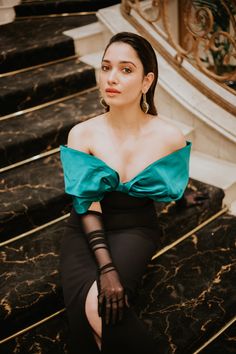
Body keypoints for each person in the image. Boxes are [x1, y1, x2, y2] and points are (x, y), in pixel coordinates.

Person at [60, 31, 192, 354]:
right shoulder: (82, 134)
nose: (111, 78)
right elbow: (87, 206)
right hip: (85, 230)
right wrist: (106, 269)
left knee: (101, 309)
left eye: (126, 69)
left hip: (136, 229)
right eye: (106, 67)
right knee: (94, 306)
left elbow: (168, 180)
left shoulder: (168, 136)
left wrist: (183, 197)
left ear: (147, 81)